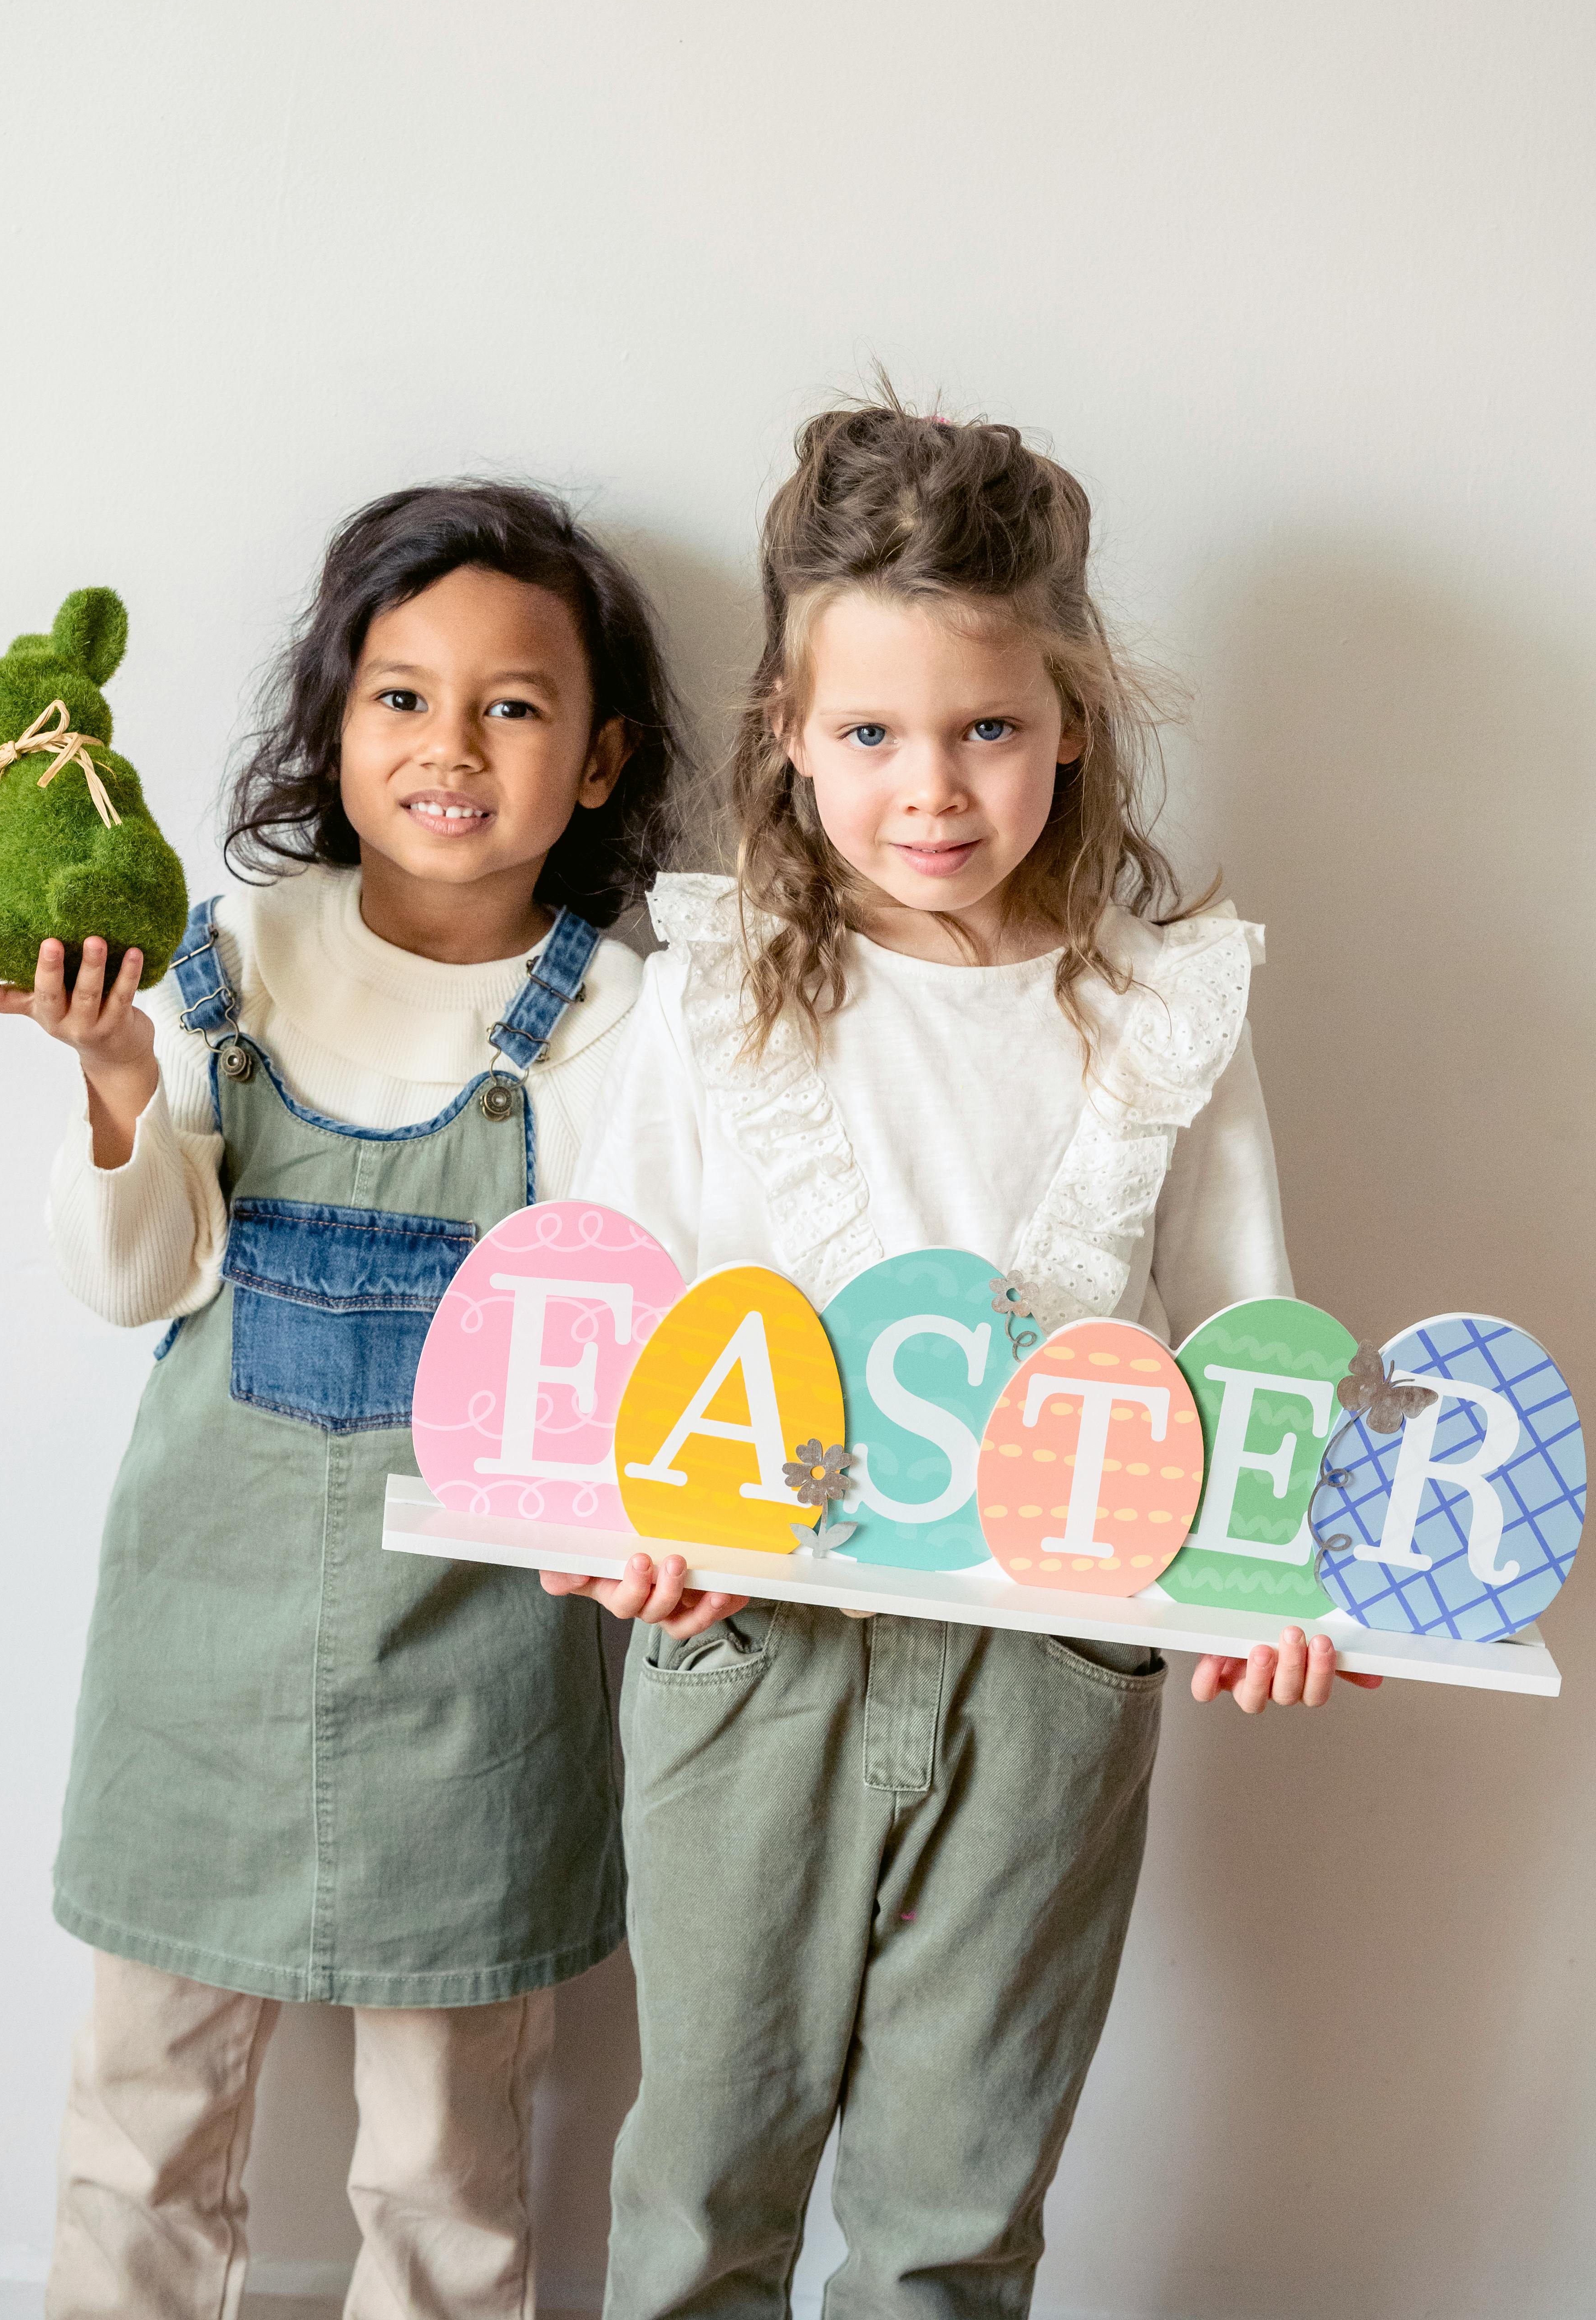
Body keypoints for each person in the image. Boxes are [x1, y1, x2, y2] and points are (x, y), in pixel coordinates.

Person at [543, 396, 1378, 2320]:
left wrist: (1264, 1578)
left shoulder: (1160, 1010)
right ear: (789, 736)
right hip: (751, 1642)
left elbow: (1239, 1338)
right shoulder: (723, 989)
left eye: (986, 728)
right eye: (872, 735)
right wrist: (612, 1524)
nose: (932, 788)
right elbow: (621, 1297)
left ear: (1069, 718)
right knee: (702, 2188)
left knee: (955, 2203)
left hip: (1050, 1671)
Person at [0, 483, 681, 2320]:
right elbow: (135, 1279)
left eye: (512, 706)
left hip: (482, 1678)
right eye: (400, 696)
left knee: (449, 2167)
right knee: (139, 2122)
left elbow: (654, 1342)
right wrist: (122, 1076)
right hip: (196, 1652)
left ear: (598, 761)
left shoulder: (626, 1026)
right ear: (332, 727)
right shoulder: (229, 960)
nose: (452, 746)